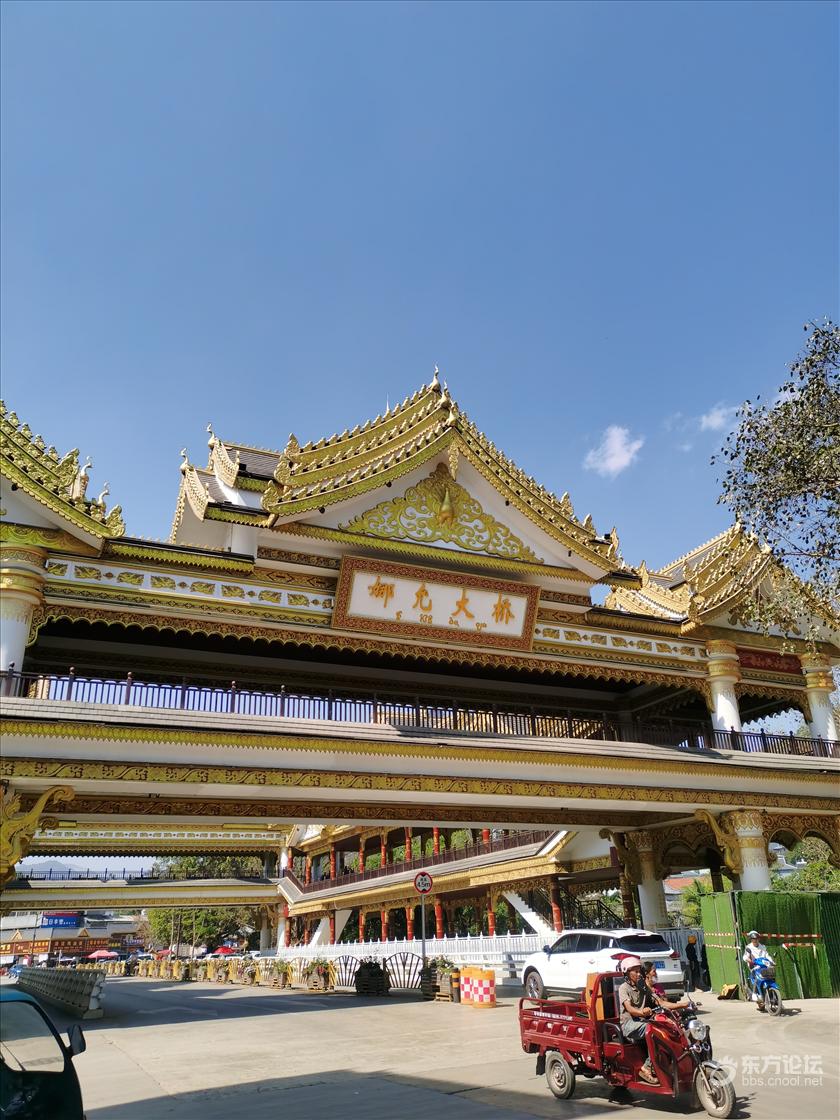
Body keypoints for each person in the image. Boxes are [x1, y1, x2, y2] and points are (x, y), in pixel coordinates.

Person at [617, 957, 661, 1085]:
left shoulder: (642, 986)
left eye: (639, 971)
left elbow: (660, 1001)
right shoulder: (623, 988)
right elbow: (630, 1009)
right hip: (628, 1025)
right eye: (635, 972)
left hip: (641, 1022)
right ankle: (646, 1067)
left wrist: (683, 1005)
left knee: (665, 1027)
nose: (638, 974)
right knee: (653, 1030)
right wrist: (642, 1012)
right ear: (627, 973)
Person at [743, 930, 774, 1010]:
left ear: (758, 939)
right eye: (753, 939)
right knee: (756, 980)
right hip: (754, 967)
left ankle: (774, 996)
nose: (755, 940)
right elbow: (745, 956)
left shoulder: (762, 947)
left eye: (756, 938)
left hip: (764, 966)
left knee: (771, 976)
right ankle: (755, 994)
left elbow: (767, 955)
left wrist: (772, 961)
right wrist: (748, 960)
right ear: (751, 939)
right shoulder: (748, 947)